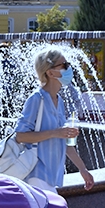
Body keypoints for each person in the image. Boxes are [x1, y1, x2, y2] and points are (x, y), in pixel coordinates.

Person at [14, 48, 94, 192]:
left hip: (52, 176)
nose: (69, 69)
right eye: (64, 65)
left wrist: (83, 169)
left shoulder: (59, 101)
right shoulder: (36, 99)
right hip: (36, 174)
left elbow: (64, 142)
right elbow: (20, 136)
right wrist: (55, 132)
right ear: (50, 73)